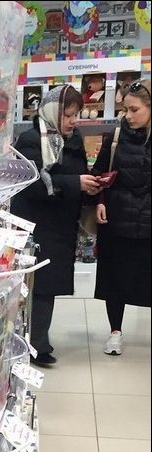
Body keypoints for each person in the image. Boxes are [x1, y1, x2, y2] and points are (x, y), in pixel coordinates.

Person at [11, 85, 101, 367]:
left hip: (61, 224)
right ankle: (34, 345)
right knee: (38, 286)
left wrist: (91, 184)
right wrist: (75, 183)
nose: (73, 121)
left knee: (47, 287)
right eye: (68, 115)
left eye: (76, 115)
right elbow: (33, 184)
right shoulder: (31, 140)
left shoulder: (72, 140)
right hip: (37, 224)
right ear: (52, 112)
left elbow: (77, 173)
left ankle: (36, 342)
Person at [93, 79, 151, 355]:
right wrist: (99, 200)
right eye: (125, 109)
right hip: (116, 219)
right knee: (114, 280)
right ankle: (115, 332)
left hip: (147, 220)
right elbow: (98, 173)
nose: (128, 116)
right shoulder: (115, 137)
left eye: (134, 110)